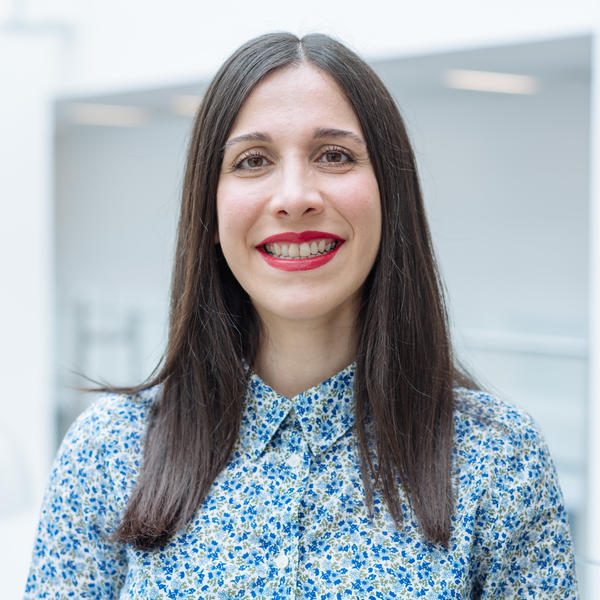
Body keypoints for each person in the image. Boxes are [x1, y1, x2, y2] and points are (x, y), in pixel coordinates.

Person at [25, 32, 578, 598]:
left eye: (334, 155)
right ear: (209, 213)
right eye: (252, 160)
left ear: (393, 195)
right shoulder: (110, 451)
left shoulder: (498, 458)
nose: (294, 196)